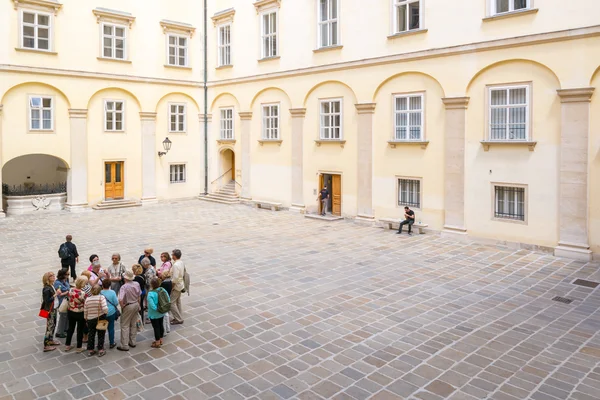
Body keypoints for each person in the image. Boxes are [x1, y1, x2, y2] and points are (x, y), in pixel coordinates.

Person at [117, 271, 141, 351]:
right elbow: (139, 296)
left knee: (125, 325)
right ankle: (133, 341)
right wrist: (139, 304)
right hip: (136, 304)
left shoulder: (124, 287)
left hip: (128, 305)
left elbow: (120, 299)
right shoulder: (136, 284)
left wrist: (122, 306)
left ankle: (124, 345)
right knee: (133, 324)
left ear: (125, 278)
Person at [65, 276, 89, 353]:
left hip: (70, 311)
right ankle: (79, 347)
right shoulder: (83, 293)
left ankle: (67, 345)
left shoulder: (71, 290)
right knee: (80, 330)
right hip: (80, 313)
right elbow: (85, 303)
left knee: (70, 328)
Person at [84, 285, 108, 357]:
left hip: (90, 319)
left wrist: (86, 318)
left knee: (91, 334)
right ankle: (100, 349)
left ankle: (91, 350)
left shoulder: (87, 299)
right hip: (100, 318)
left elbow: (85, 310)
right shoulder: (101, 297)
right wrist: (106, 312)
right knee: (101, 334)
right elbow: (105, 308)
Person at [41, 271, 61, 352]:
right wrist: (56, 294)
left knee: (53, 325)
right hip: (49, 310)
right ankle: (46, 345)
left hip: (53, 309)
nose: (53, 277)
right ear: (47, 278)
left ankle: (50, 340)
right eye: (51, 276)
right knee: (49, 327)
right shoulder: (46, 288)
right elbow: (47, 300)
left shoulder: (51, 285)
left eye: (53, 275)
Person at [148, 278, 170, 348]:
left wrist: (156, 309)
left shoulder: (150, 293)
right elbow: (168, 299)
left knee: (156, 327)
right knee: (161, 325)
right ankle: (160, 340)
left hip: (154, 314)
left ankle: (157, 342)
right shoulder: (162, 290)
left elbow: (152, 305)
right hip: (162, 312)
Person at [101, 279, 119, 349]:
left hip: (102, 313)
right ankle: (111, 343)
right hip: (111, 312)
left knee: (102, 329)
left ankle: (101, 343)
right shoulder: (112, 292)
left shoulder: (100, 292)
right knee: (111, 328)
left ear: (102, 285)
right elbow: (116, 303)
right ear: (110, 285)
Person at [158, 252, 173, 335]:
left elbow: (164, 272)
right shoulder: (169, 282)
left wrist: (159, 272)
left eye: (163, 257)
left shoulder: (167, 264)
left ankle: (165, 330)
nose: (161, 258)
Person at [170, 249, 185, 325]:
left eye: (172, 255)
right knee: (178, 301)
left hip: (176, 286)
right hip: (180, 284)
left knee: (171, 303)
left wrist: (172, 287)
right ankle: (180, 315)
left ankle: (178, 319)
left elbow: (175, 278)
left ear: (174, 256)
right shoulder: (181, 262)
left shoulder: (176, 265)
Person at [53, 269, 70, 338]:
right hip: (62, 302)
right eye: (67, 274)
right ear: (63, 275)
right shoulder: (57, 283)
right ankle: (59, 332)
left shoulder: (65, 280)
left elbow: (67, 288)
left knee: (67, 316)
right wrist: (67, 292)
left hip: (66, 301)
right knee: (63, 317)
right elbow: (59, 294)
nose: (68, 276)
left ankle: (65, 329)